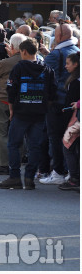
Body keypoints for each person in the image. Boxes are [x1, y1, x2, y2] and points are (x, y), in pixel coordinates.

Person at [0, 38, 57, 190]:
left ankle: (15, 177)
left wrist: (11, 109)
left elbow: (11, 90)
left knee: (14, 144)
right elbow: (52, 92)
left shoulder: (19, 68)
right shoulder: (47, 69)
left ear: (23, 51)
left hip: (21, 112)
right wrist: (43, 107)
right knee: (35, 146)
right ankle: (29, 178)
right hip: (39, 114)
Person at [42, 24, 80, 185]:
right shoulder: (76, 51)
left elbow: (43, 76)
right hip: (73, 104)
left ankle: (58, 171)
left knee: (56, 138)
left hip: (57, 104)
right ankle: (69, 172)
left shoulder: (56, 54)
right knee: (70, 141)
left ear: (58, 37)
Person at [0, 33, 26, 176]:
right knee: (19, 133)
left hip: (3, 100)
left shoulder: (8, 62)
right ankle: (17, 161)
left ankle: (3, 164)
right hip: (22, 101)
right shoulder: (28, 60)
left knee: (1, 133)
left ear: (13, 47)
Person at [59, 52, 80, 191]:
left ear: (76, 64)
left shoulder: (76, 82)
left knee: (67, 146)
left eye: (68, 63)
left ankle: (74, 179)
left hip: (76, 120)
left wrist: (77, 104)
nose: (65, 66)